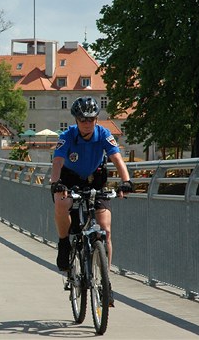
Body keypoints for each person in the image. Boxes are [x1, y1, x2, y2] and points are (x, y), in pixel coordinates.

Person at [50, 96, 132, 305]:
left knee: (105, 229)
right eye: (82, 119)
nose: (87, 123)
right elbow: (58, 161)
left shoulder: (103, 134)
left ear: (97, 119)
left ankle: (105, 281)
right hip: (69, 178)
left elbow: (116, 158)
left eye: (91, 119)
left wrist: (126, 181)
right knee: (61, 203)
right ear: (76, 120)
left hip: (95, 179)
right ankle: (63, 244)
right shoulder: (67, 135)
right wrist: (56, 183)